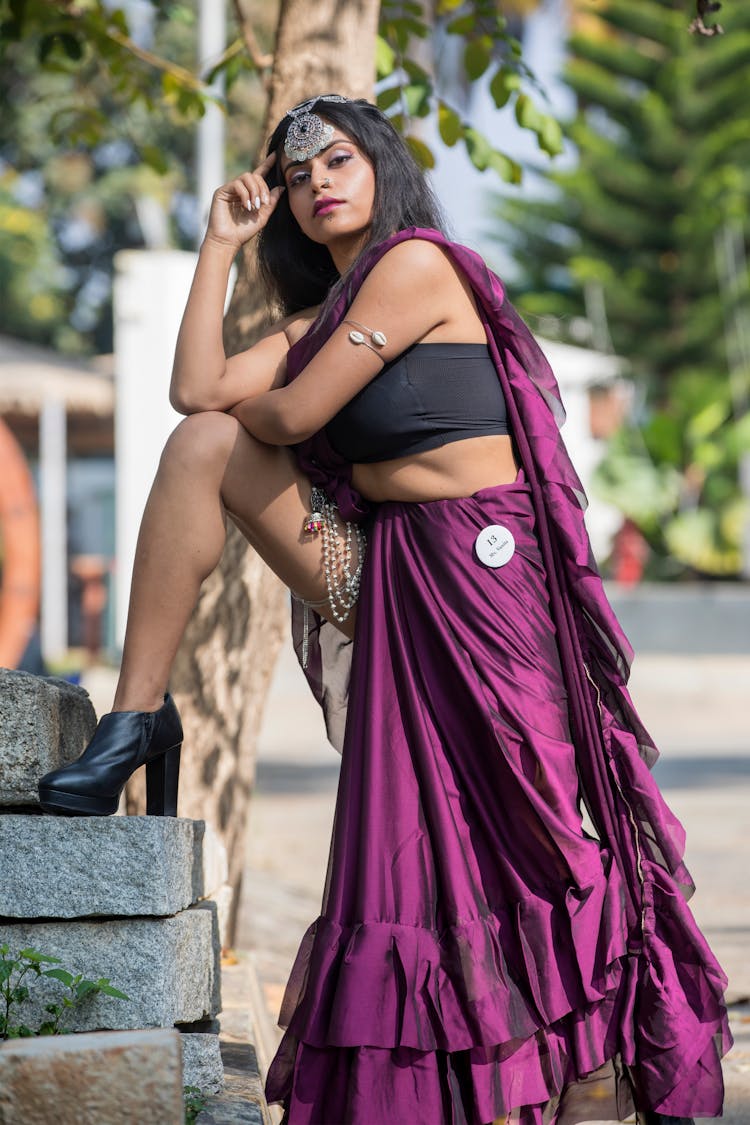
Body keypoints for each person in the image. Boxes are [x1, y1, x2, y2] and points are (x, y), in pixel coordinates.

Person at [38, 95, 730, 1125]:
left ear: (382, 169)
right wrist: (219, 248)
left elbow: (290, 414)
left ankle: (594, 1052)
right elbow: (196, 396)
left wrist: (269, 398)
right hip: (387, 566)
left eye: (340, 160)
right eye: (298, 172)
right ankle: (137, 717)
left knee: (537, 824)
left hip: (490, 581)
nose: (318, 180)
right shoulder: (316, 318)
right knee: (199, 451)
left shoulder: (418, 266)